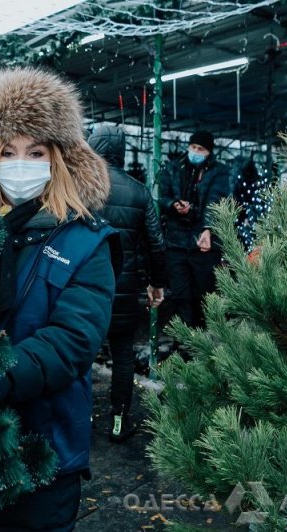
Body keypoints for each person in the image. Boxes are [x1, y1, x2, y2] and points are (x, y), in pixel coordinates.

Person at [0, 67, 119, 532]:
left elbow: (73, 341)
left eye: (35, 152)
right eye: (8, 152)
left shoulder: (87, 243)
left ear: (58, 159)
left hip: (44, 452)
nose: (21, 163)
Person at [88, 124, 167, 442]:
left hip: (87, 289)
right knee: (122, 355)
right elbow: (156, 244)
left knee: (82, 353)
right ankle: (119, 420)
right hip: (126, 291)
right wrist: (157, 284)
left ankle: (81, 417)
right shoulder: (139, 191)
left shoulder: (81, 189)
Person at [158, 130, 231, 335]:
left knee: (203, 295)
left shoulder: (218, 171)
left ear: (209, 152)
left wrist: (208, 227)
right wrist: (173, 204)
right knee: (180, 296)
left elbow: (216, 201)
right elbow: (161, 197)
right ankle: (182, 343)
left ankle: (200, 341)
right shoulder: (173, 168)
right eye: (193, 147)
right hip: (176, 243)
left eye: (201, 149)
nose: (195, 152)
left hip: (203, 245)